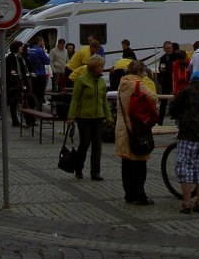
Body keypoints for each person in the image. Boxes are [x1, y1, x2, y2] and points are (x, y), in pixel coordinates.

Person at [116, 59, 159, 205]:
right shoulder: (138, 84)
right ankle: (140, 195)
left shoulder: (122, 83)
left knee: (126, 162)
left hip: (122, 126)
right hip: (137, 126)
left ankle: (128, 194)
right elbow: (153, 97)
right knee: (140, 163)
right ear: (140, 72)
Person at [170, 69, 199, 213]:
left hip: (188, 135)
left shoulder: (185, 91)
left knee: (185, 168)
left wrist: (180, 116)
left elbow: (174, 109)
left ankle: (187, 204)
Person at [67, 54, 112, 181]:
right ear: (93, 67)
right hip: (83, 117)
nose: (102, 68)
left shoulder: (102, 81)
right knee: (85, 143)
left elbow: (104, 101)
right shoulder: (81, 80)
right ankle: (79, 168)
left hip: (98, 117)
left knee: (97, 145)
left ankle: (95, 172)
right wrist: (71, 116)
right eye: (100, 66)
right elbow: (75, 99)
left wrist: (109, 117)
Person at [5, 41, 31, 127]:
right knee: (13, 102)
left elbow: (25, 68)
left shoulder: (21, 57)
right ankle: (15, 121)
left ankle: (28, 121)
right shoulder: (10, 58)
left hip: (21, 81)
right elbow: (9, 69)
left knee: (25, 100)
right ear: (17, 48)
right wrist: (12, 72)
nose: (22, 48)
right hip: (13, 83)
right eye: (20, 47)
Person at [27, 36, 50, 109]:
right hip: (40, 74)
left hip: (33, 74)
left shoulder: (31, 50)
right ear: (39, 42)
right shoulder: (40, 51)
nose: (43, 43)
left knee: (33, 92)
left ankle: (31, 107)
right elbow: (47, 61)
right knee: (40, 93)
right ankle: (39, 109)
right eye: (42, 41)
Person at [156, 40, 175, 125]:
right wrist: (161, 69)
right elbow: (161, 68)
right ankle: (160, 121)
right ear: (164, 49)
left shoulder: (175, 56)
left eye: (170, 48)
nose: (168, 49)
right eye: (167, 48)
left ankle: (177, 120)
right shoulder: (163, 58)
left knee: (176, 100)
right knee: (163, 102)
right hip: (166, 82)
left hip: (174, 81)